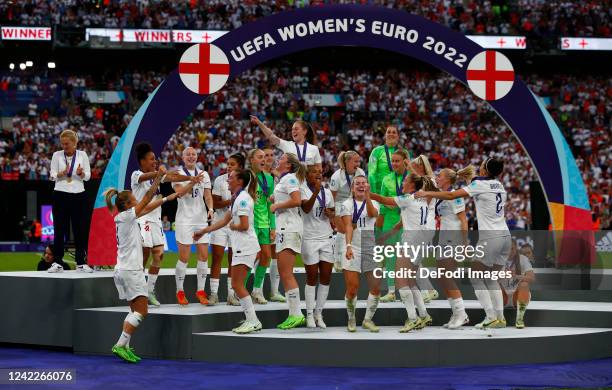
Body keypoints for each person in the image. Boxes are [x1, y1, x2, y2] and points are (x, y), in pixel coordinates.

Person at [416, 157, 512, 329]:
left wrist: (427, 193)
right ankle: (500, 318)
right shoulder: (499, 185)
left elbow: (453, 195)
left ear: (485, 170)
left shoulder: (479, 185)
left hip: (491, 236)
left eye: (482, 165)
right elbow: (473, 182)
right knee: (490, 279)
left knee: (476, 277)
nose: (479, 167)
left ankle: (490, 316)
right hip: (505, 235)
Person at [105, 169, 185, 362]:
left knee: (134, 311)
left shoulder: (125, 217)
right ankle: (119, 344)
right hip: (131, 270)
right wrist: (158, 179)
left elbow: (149, 205)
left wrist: (168, 198)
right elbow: (148, 197)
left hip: (124, 269)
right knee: (142, 311)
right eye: (134, 199)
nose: (138, 199)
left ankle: (125, 345)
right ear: (127, 204)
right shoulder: (126, 216)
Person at [130, 142, 202, 307]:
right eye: (151, 159)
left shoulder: (157, 175)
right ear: (142, 161)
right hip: (142, 219)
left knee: (159, 255)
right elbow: (152, 176)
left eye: (155, 159)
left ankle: (149, 291)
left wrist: (189, 178)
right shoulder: (136, 175)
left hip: (156, 220)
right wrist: (159, 172)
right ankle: (138, 289)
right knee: (145, 252)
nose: (154, 161)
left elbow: (173, 177)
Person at [194, 169, 262, 334]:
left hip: (245, 247)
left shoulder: (243, 199)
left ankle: (253, 320)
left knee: (237, 284)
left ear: (240, 181)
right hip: (244, 246)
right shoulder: (237, 198)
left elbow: (244, 225)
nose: (227, 180)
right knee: (236, 284)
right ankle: (251, 320)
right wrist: (204, 231)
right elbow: (224, 220)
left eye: (231, 178)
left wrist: (234, 226)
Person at [370, 174, 436, 332]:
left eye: (406, 181)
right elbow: (401, 223)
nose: (403, 183)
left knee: (401, 282)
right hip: (420, 243)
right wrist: (385, 237)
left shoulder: (408, 198)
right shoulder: (421, 200)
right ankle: (424, 315)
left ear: (412, 185)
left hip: (411, 242)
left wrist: (368, 193)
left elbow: (386, 201)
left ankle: (413, 318)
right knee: (411, 282)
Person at [172, 147, 214, 306]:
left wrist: (210, 209)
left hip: (201, 219)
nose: (191, 156)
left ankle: (201, 291)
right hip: (184, 220)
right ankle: (180, 291)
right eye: (188, 154)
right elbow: (180, 193)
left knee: (204, 256)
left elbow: (208, 195)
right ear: (183, 157)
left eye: (193, 154)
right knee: (184, 257)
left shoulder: (204, 174)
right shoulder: (177, 174)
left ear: (197, 157)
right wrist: (192, 181)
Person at [434, 167, 474, 329]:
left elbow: (464, 221)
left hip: (454, 239)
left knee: (447, 277)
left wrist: (465, 243)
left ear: (447, 180)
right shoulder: (441, 195)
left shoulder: (456, 196)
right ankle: (456, 312)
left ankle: (462, 313)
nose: (437, 178)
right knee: (442, 276)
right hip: (444, 238)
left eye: (440, 176)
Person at [340, 175, 381, 332]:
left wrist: (368, 197)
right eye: (357, 183)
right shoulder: (346, 204)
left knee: (376, 287)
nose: (361, 185)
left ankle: (367, 320)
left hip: (370, 246)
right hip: (354, 247)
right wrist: (348, 246)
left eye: (364, 183)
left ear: (368, 186)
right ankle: (351, 318)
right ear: (352, 188)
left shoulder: (374, 202)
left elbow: (372, 214)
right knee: (352, 288)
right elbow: (348, 226)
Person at [48, 129, 93, 273]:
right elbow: (52, 175)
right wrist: (60, 174)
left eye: (67, 143)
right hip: (60, 194)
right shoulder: (56, 155)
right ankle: (57, 262)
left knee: (80, 229)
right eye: (62, 143)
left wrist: (82, 173)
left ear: (74, 143)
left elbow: (88, 177)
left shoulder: (82, 155)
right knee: (59, 229)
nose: (64, 146)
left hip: (78, 194)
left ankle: (81, 262)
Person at [271, 153, 307, 329]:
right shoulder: (284, 179)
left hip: (289, 227)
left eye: (282, 157)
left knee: (286, 272)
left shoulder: (290, 179)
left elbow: (297, 200)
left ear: (289, 164)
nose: (279, 159)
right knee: (284, 271)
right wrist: (274, 199)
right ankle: (294, 313)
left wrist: (277, 205)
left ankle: (296, 314)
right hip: (284, 227)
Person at [300, 163, 335, 328]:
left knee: (326, 277)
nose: (318, 174)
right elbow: (306, 208)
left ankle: (318, 313)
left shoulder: (327, 192)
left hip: (327, 236)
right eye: (314, 172)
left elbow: (332, 212)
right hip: (309, 238)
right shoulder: (302, 190)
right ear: (307, 175)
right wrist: (316, 191)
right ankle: (308, 313)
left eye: (320, 172)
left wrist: (331, 214)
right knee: (312, 276)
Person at [210, 153, 245, 306]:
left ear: (240, 167)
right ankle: (214, 294)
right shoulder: (219, 180)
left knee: (233, 259)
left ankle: (231, 295)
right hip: (220, 223)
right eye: (228, 163)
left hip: (236, 224)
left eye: (232, 164)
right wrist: (229, 201)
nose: (228, 166)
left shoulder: (245, 182)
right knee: (217, 257)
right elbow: (214, 204)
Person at [378, 149, 410, 302]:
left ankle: (407, 292)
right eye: (393, 161)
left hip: (407, 221)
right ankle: (391, 291)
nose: (394, 163)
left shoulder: (411, 178)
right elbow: (382, 202)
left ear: (405, 161)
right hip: (390, 221)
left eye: (397, 160)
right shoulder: (386, 179)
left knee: (406, 257)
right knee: (390, 257)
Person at [246, 148, 275, 304]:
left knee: (266, 256)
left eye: (264, 157)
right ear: (252, 160)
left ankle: (256, 291)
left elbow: (270, 203)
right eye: (259, 157)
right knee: (250, 257)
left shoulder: (269, 179)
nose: (263, 159)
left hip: (264, 223)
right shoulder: (246, 177)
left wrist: (273, 226)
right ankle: (240, 292)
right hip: (250, 224)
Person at [408, 154, 439, 303]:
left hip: (425, 225)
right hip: (421, 225)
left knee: (412, 261)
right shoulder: (425, 181)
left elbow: (424, 203)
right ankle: (429, 291)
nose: (412, 168)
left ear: (421, 166)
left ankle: (427, 293)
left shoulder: (430, 181)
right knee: (415, 260)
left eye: (415, 166)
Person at [330, 151, 365, 271]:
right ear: (347, 161)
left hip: (354, 203)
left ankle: (352, 258)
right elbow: (332, 198)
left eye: (359, 161)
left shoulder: (360, 172)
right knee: (342, 231)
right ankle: (337, 260)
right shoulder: (337, 176)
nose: (358, 163)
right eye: (355, 161)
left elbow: (363, 191)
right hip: (339, 204)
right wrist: (333, 215)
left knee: (354, 231)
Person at [251, 115, 322, 166]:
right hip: (291, 185)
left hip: (307, 186)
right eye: (292, 129)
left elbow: (318, 169)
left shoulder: (314, 149)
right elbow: (271, 136)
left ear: (304, 131)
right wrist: (259, 123)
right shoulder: (287, 145)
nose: (293, 131)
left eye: (296, 129)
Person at [263, 146, 284, 302]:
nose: (269, 157)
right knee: (262, 255)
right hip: (262, 217)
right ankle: (257, 290)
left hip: (277, 217)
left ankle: (274, 291)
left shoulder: (279, 175)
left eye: (271, 154)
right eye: (266, 155)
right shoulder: (259, 175)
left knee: (275, 254)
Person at [501, 240, 535, 329]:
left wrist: (516, 276)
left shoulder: (523, 259)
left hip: (517, 296)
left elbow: (531, 278)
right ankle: (499, 318)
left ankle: (519, 319)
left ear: (516, 249)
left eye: (512, 249)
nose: (509, 252)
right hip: (502, 296)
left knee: (524, 284)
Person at [367, 126, 410, 195]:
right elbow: (371, 174)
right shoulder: (376, 151)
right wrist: (374, 194)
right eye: (388, 132)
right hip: (380, 194)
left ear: (398, 136)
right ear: (385, 136)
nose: (391, 134)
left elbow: (408, 173)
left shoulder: (404, 152)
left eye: (394, 132)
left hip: (399, 194)